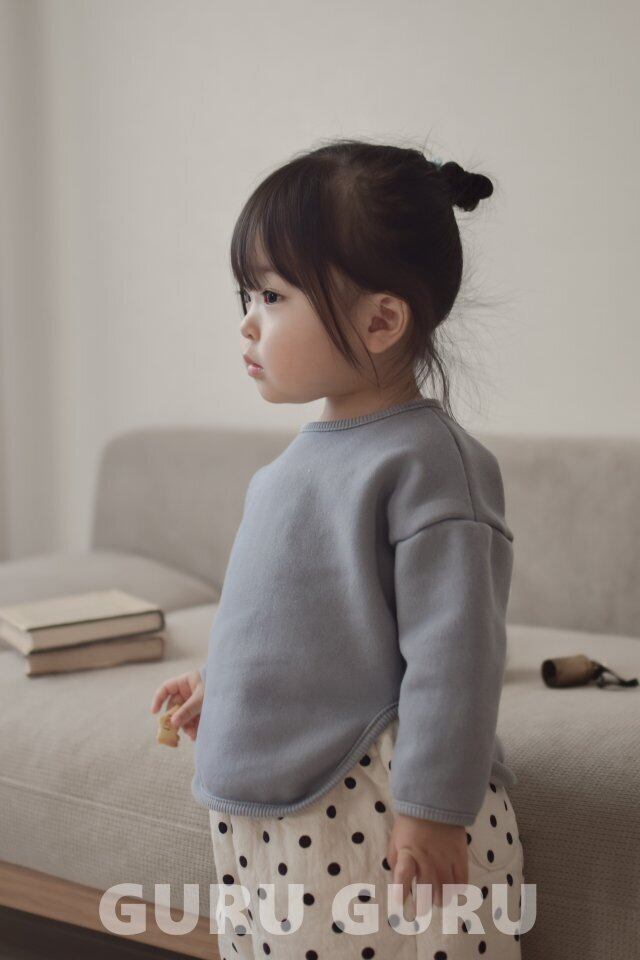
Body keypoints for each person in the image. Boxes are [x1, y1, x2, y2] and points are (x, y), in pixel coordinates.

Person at [150, 137, 526, 959]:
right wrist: (222, 685)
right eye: (247, 294)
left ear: (381, 320)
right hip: (272, 816)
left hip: (373, 809)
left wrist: (433, 809)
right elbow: (299, 619)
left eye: (273, 295)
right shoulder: (296, 462)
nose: (247, 321)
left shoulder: (430, 464)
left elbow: (456, 656)